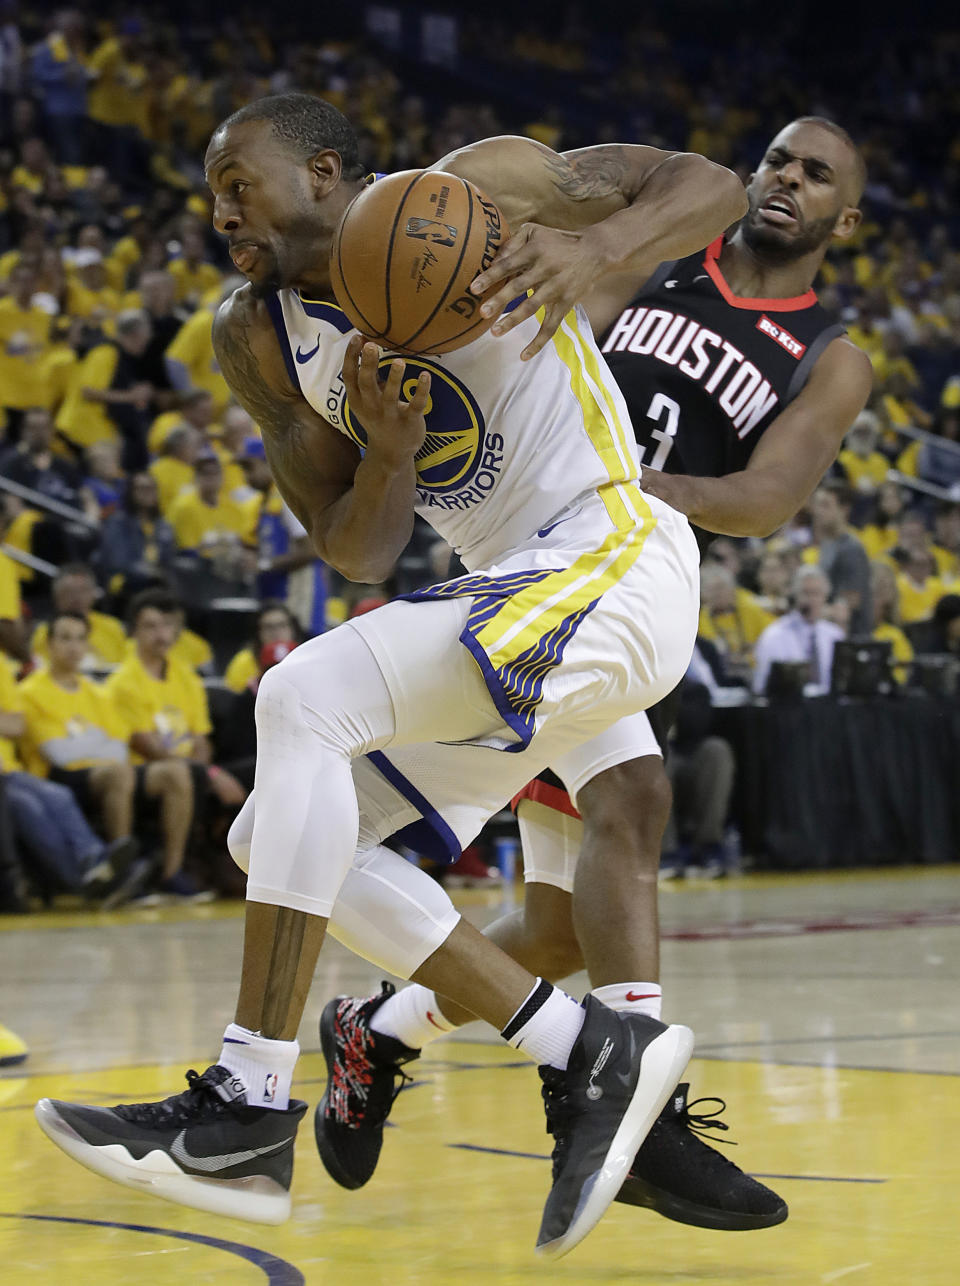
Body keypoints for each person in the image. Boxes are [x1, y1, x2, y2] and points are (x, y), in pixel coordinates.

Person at [35, 92, 744, 1256]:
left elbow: (704, 181)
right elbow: (354, 548)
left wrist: (596, 245)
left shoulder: (477, 194)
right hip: (511, 597)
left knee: (304, 697)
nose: (219, 211)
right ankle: (584, 1053)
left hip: (609, 551)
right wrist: (394, 452)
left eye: (236, 182)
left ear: (323, 171)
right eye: (209, 192)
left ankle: (251, 1103)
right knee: (273, 837)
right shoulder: (257, 332)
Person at [381, 116, 872, 1231]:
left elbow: (767, 495)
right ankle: (636, 1113)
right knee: (635, 798)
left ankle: (377, 1030)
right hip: (536, 539)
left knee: (557, 931)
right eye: (780, 159)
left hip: (638, 560)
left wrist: (645, 491)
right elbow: (513, 201)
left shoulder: (829, 351)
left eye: (817, 175)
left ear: (849, 219)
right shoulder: (656, 238)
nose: (787, 179)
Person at [19, 611, 192, 889]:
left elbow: (119, 747)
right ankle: (119, 873)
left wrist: (86, 744)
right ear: (48, 644)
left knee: (175, 772)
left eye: (80, 639)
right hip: (56, 778)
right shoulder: (31, 691)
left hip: (104, 771)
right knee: (119, 774)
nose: (73, 646)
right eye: (65, 638)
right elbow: (59, 754)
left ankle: (172, 873)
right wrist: (97, 740)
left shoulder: (98, 692)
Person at [0, 651, 147, 908]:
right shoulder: (35, 688)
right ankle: (85, 884)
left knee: (59, 796)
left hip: (9, 771)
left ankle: (96, 862)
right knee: (29, 808)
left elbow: (17, 724)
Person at [238, 436, 328, 635]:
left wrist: (263, 564)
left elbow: (312, 550)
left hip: (299, 591)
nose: (247, 476)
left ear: (269, 462)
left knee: (300, 644)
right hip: (278, 591)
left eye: (250, 468)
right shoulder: (264, 500)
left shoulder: (287, 497)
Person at [752, 565, 845, 696]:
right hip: (790, 708)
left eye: (816, 593)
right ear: (795, 595)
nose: (811, 600)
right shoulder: (775, 635)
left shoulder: (834, 635)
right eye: (806, 593)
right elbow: (761, 686)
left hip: (828, 709)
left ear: (825, 597)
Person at [31, 563, 127, 671]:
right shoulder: (44, 632)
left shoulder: (113, 627)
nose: (77, 597)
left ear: (93, 594)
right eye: (69, 591)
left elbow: (125, 666)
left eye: (83, 590)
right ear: (57, 595)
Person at [808, 480, 874, 632]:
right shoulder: (827, 544)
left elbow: (852, 600)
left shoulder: (851, 548)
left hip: (852, 639)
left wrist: (812, 610)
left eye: (825, 505)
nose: (818, 511)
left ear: (844, 509)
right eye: (817, 504)